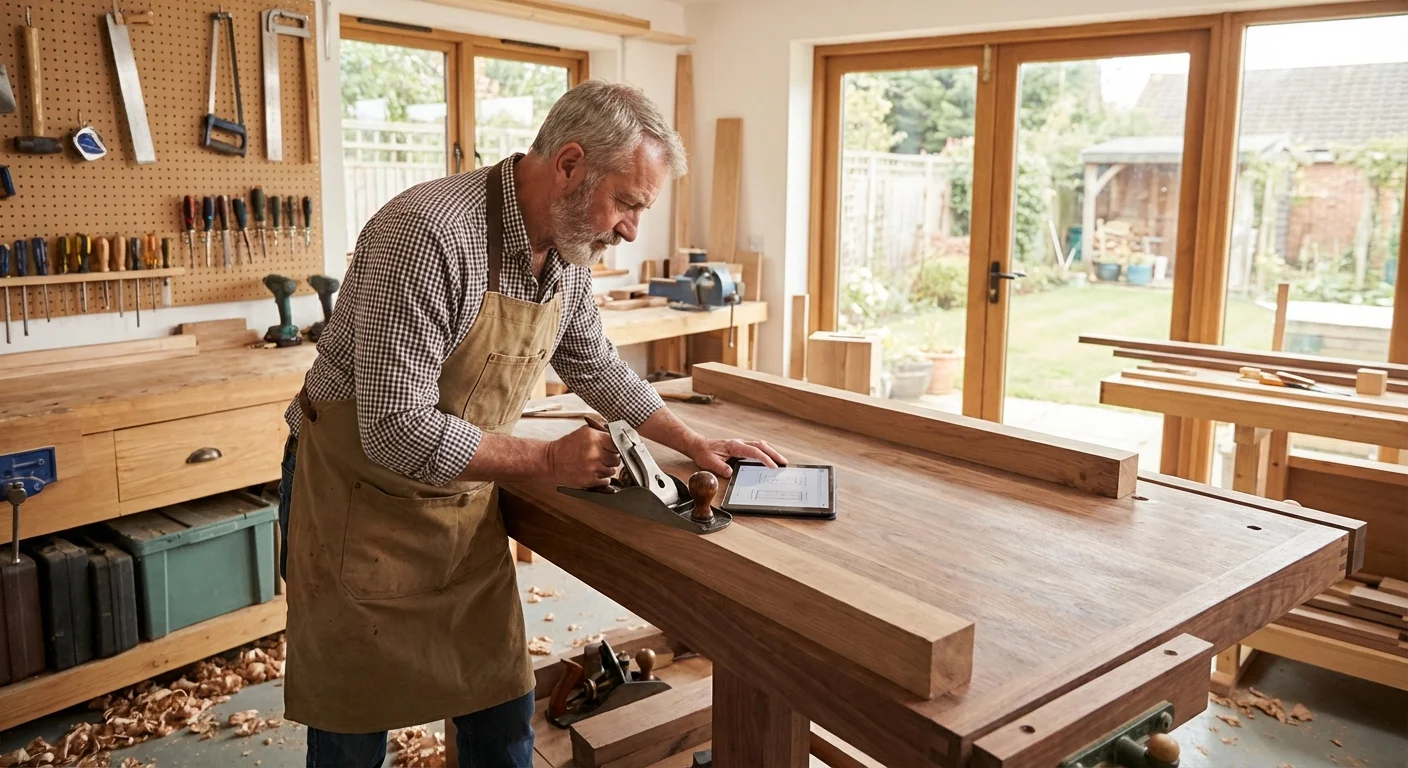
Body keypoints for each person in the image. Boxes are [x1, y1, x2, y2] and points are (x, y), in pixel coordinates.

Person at [277, 80, 785, 767]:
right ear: (569, 165)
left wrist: (689, 439)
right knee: (350, 727)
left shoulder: (569, 255)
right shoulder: (428, 236)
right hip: (355, 503)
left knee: (500, 708)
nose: (632, 229)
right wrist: (546, 463)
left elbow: (594, 364)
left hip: (459, 501)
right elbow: (395, 429)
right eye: (628, 203)